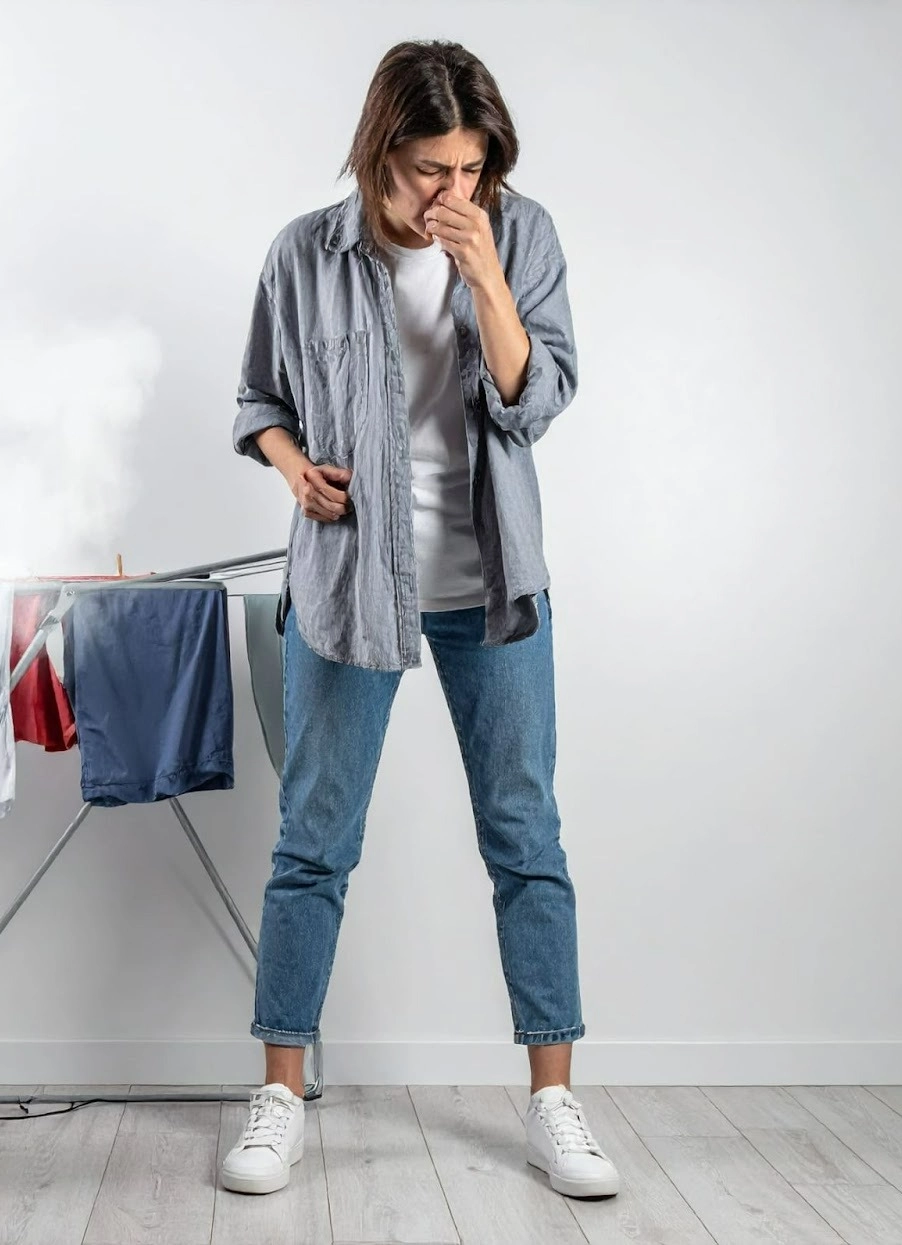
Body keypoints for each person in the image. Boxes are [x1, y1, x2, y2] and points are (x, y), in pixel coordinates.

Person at [220, 39, 620, 1201]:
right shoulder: (305, 252)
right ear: (377, 153)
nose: (453, 191)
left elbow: (535, 399)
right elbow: (256, 399)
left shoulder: (520, 231)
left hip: (494, 592)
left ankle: (553, 1100)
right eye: (428, 169)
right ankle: (279, 1098)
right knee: (313, 844)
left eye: (470, 167)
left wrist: (487, 278)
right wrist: (290, 465)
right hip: (348, 587)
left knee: (525, 841)